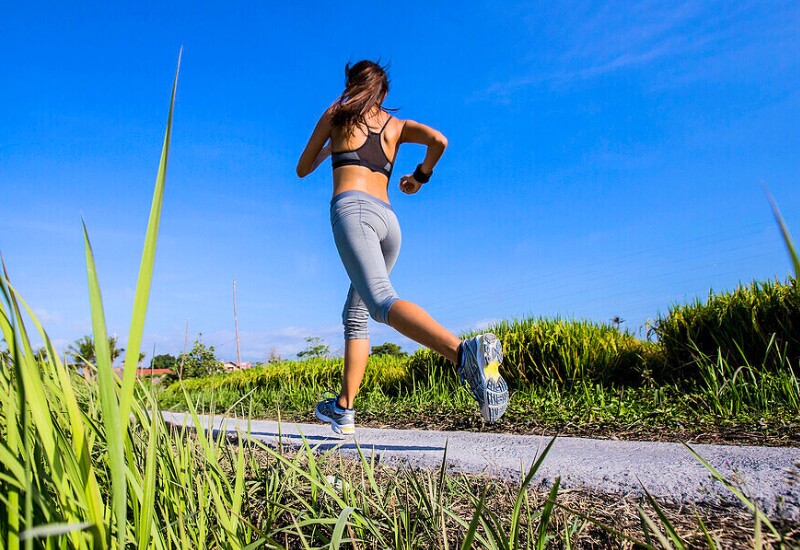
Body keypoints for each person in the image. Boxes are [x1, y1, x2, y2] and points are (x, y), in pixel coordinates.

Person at [296, 60, 509, 435]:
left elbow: (302, 167)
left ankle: (463, 352)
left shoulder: (336, 115)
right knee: (356, 313)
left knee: (380, 301)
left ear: (351, 83)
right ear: (383, 93)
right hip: (389, 222)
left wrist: (330, 148)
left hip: (353, 212)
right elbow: (439, 141)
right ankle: (344, 408)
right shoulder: (396, 126)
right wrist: (420, 177)